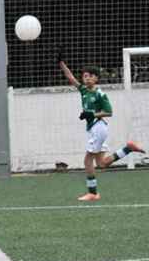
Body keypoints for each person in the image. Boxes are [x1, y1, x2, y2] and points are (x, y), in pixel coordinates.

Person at [58, 54, 144, 201]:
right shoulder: (84, 90)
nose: (87, 78)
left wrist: (91, 114)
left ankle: (93, 193)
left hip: (98, 129)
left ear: (96, 78)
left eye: (90, 76)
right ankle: (127, 149)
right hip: (95, 129)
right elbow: (71, 78)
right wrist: (61, 63)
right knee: (101, 163)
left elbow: (109, 112)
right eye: (85, 76)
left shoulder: (100, 94)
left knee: (87, 161)